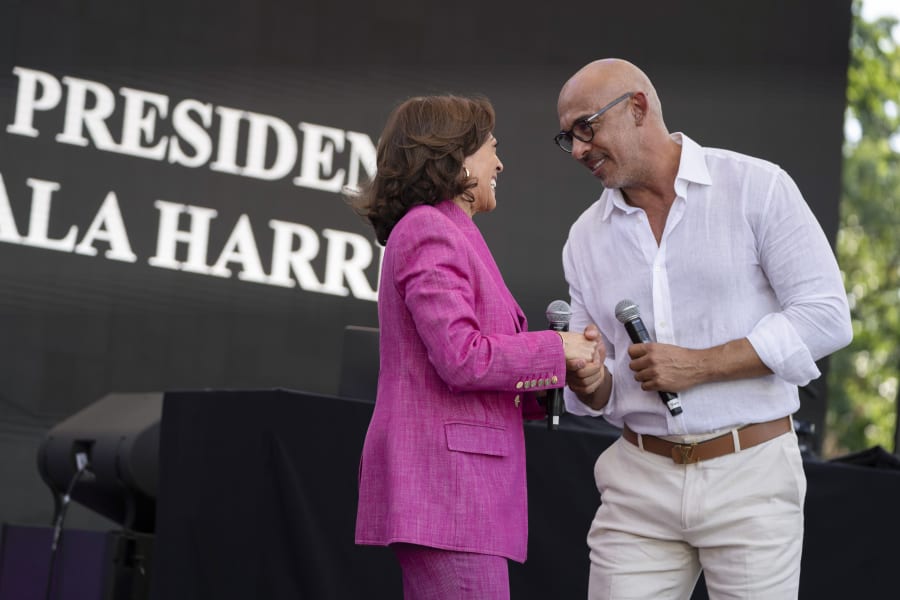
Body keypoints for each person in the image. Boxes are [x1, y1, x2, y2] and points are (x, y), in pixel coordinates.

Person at [554, 58, 852, 599]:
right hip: (638, 480)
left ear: (638, 107)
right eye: (567, 137)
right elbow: (603, 390)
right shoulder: (584, 239)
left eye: (586, 127)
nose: (577, 149)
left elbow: (827, 315)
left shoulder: (755, 187)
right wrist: (586, 375)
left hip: (752, 474)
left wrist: (698, 365)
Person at [352, 94, 598, 599]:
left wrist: (559, 370)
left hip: (462, 493)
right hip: (448, 491)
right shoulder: (429, 229)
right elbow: (462, 358)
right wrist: (556, 350)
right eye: (491, 149)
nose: (500, 163)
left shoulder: (452, 232)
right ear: (454, 156)